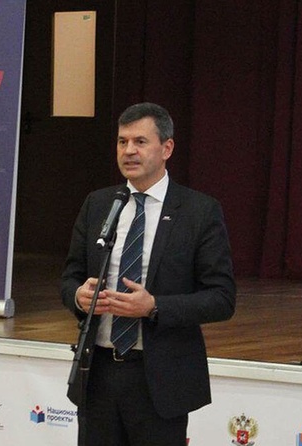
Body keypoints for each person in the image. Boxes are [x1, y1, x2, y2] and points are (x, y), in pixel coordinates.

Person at [61, 102, 236, 445]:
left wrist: (154, 307)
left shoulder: (199, 211)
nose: (129, 151)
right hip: (98, 374)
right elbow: (69, 278)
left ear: (166, 148)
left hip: (160, 379)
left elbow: (222, 298)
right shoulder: (99, 204)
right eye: (122, 142)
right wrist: (79, 297)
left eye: (140, 142)